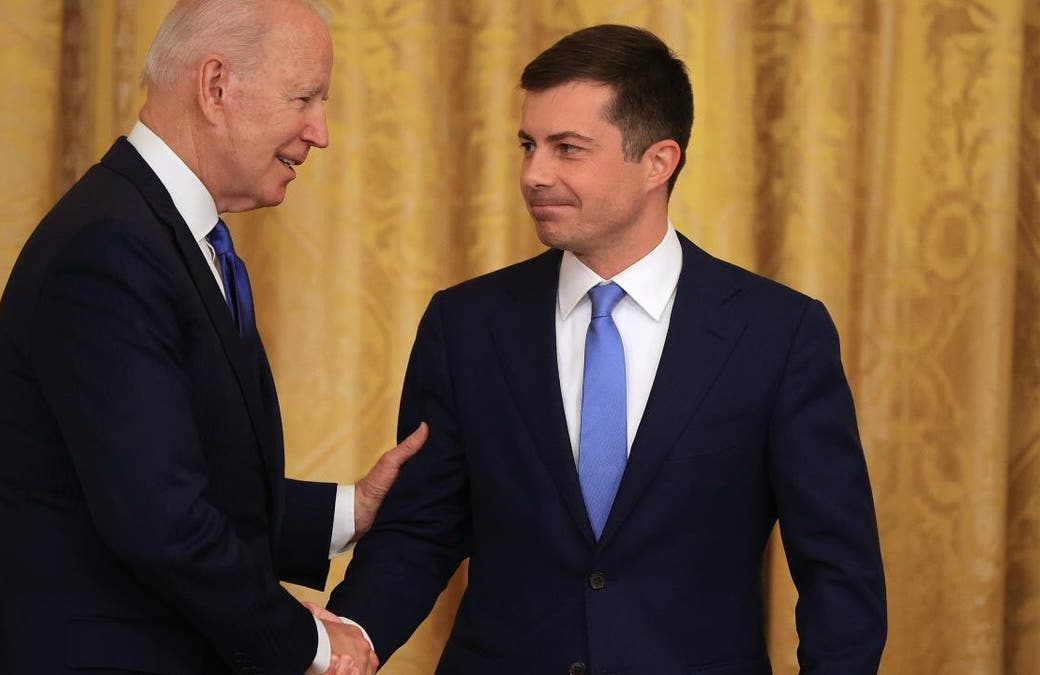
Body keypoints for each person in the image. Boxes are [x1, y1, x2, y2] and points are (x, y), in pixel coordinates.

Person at [327, 24, 887, 674]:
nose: (534, 174)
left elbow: (839, 572)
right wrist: (353, 636)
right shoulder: (465, 324)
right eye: (528, 145)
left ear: (658, 161)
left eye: (568, 149)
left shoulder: (779, 334)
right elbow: (421, 527)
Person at [0, 1, 421, 674]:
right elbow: (161, 521)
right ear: (215, 87)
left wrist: (348, 511)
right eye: (305, 98)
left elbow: (173, 472)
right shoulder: (110, 247)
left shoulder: (160, 231)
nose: (320, 131)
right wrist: (314, 644)